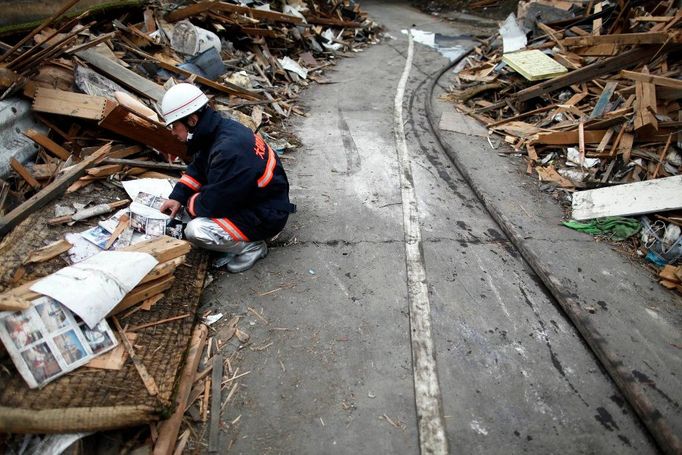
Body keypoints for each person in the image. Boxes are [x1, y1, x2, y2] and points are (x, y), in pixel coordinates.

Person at [159, 83, 295, 273]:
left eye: (175, 126)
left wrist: (187, 205)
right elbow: (198, 167)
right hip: (260, 199)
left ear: (192, 120)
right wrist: (177, 196)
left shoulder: (228, 150)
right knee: (193, 201)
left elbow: (213, 204)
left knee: (195, 230)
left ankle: (252, 247)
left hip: (265, 215)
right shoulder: (219, 130)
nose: (173, 132)